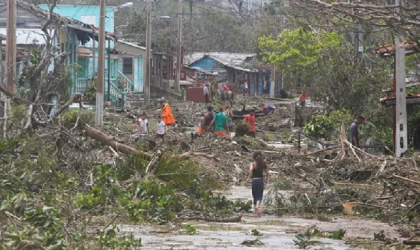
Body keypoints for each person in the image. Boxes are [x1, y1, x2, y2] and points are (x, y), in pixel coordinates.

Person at [245, 151, 269, 217]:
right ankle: (257, 207)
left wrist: (248, 178)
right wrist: (267, 178)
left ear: (254, 157)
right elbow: (267, 172)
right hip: (260, 181)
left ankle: (255, 211)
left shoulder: (252, 164)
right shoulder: (263, 163)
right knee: (259, 196)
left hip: (254, 181)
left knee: (254, 195)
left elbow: (250, 170)